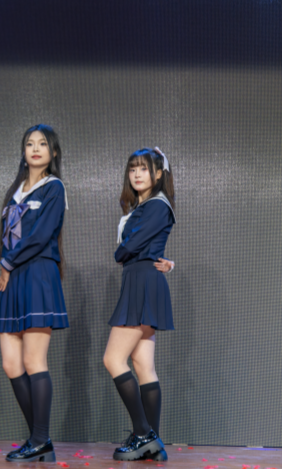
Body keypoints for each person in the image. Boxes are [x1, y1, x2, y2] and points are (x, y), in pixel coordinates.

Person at [0, 124, 68, 463]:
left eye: (42, 144)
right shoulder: (16, 190)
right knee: (11, 364)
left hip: (37, 273)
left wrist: (7, 263)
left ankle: (39, 440)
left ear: (53, 152)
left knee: (33, 360)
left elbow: (40, 236)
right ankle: (40, 439)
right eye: (29, 143)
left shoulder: (54, 187)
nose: (35, 149)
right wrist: (6, 265)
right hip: (12, 276)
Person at [102, 147, 176, 461]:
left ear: (158, 174)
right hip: (142, 280)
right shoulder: (145, 206)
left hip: (142, 282)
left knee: (113, 359)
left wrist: (123, 251)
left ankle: (143, 433)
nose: (136, 174)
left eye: (143, 168)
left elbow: (127, 248)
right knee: (143, 365)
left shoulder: (157, 205)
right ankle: (152, 442)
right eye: (132, 168)